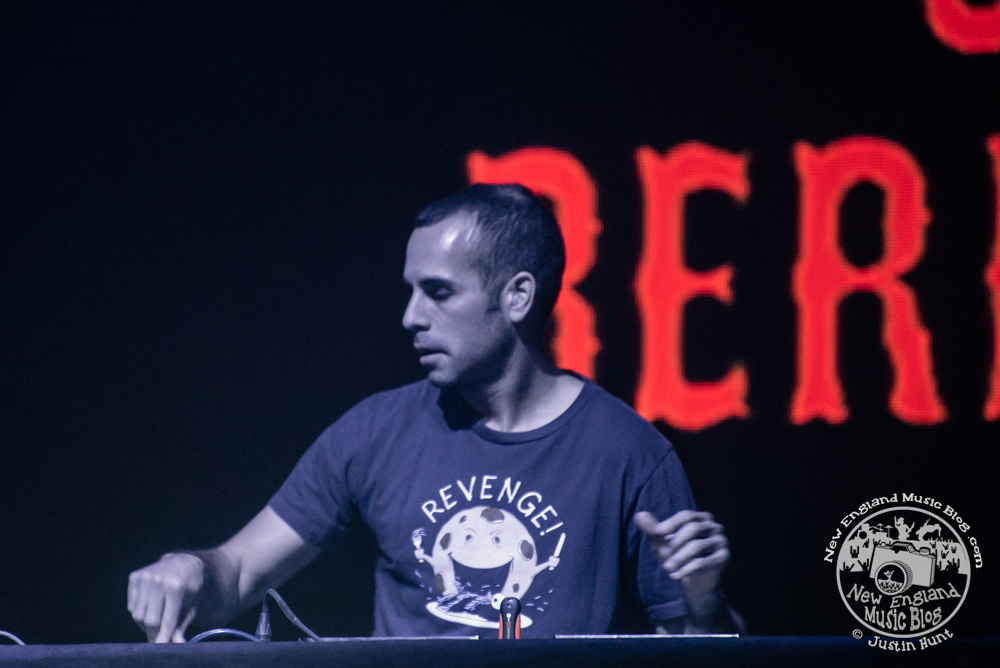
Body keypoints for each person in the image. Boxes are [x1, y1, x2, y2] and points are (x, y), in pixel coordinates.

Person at [127, 183, 739, 642]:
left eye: (438, 292)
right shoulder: (375, 432)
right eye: (411, 291)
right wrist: (188, 570)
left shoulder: (630, 453)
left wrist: (704, 603)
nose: (411, 317)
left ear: (518, 297)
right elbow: (238, 573)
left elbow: (699, 655)